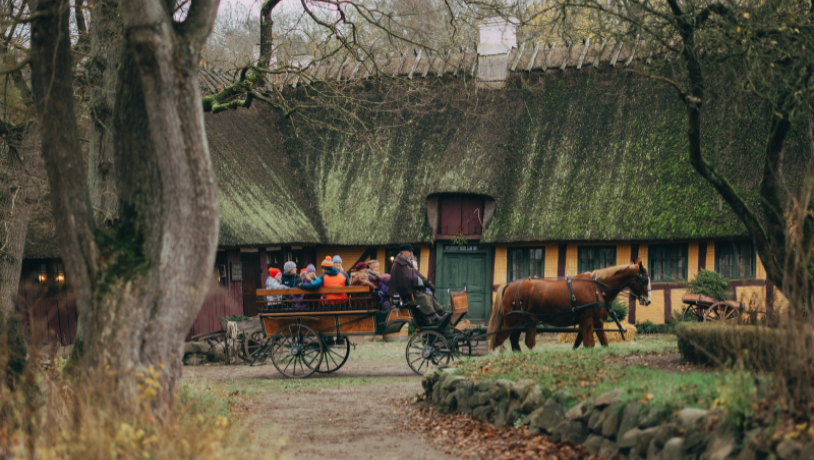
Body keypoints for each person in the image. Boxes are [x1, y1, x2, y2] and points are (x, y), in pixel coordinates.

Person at [389, 243, 447, 323]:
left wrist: (427, 282)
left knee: (429, 295)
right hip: (406, 293)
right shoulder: (398, 264)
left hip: (412, 291)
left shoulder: (407, 263)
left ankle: (441, 312)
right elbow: (406, 278)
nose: (411, 253)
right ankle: (435, 317)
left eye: (411, 251)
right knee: (423, 297)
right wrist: (418, 281)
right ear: (403, 252)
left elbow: (416, 273)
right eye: (409, 251)